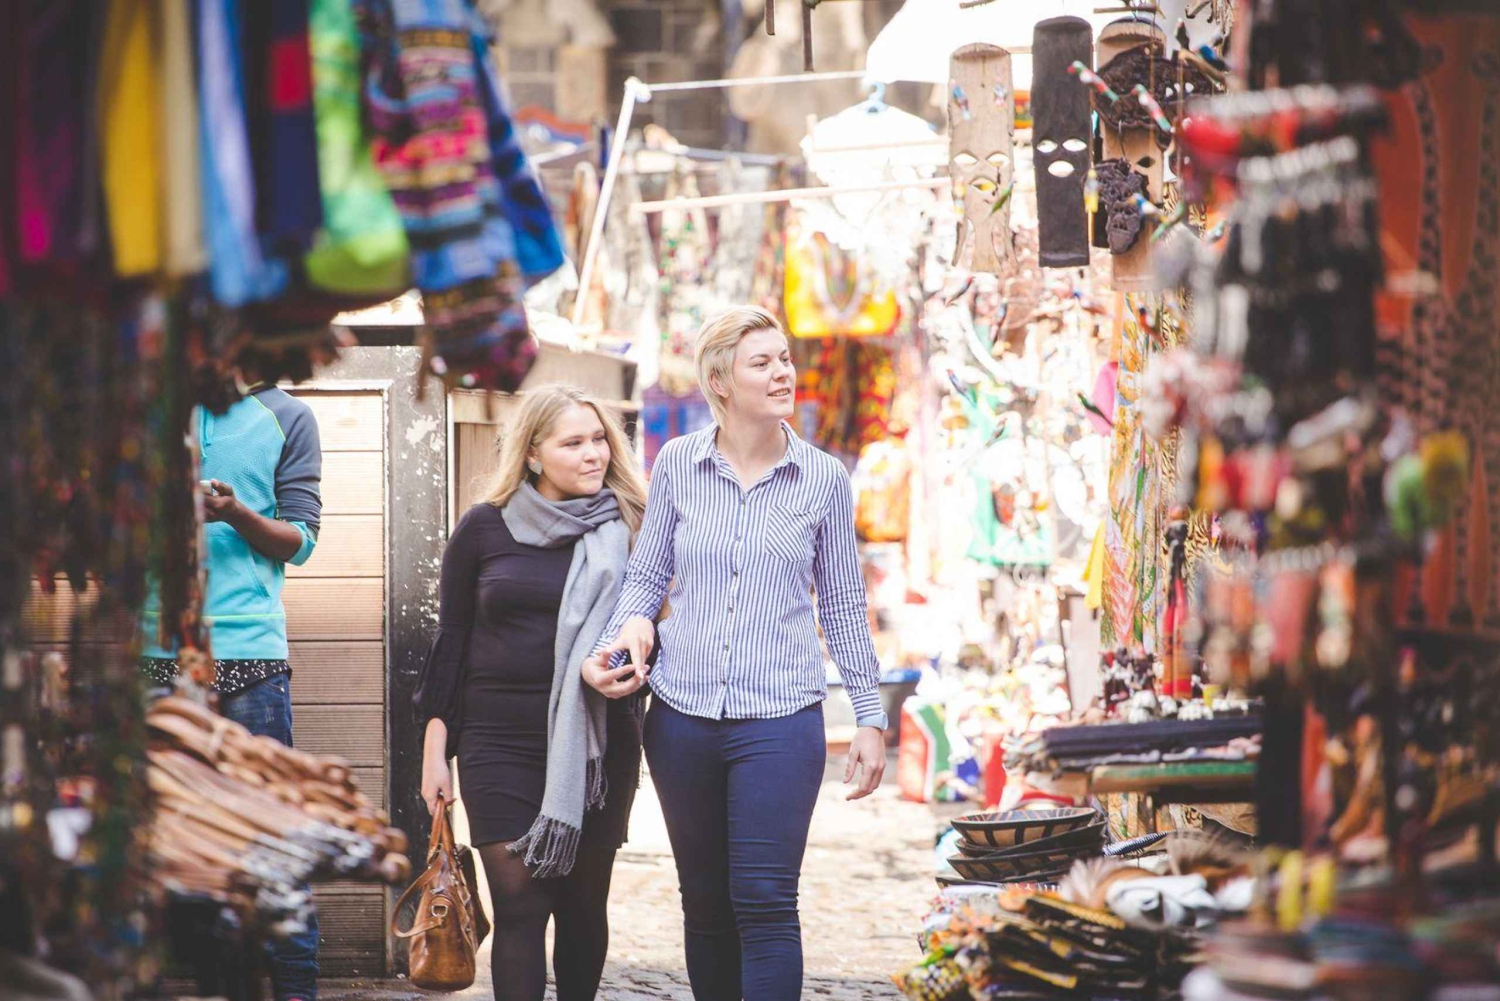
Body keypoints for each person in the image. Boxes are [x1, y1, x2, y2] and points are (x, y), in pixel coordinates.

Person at [583, 306, 889, 1001]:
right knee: (706, 904)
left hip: (780, 720)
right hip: (682, 716)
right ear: (720, 380)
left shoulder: (823, 480)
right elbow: (645, 577)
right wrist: (631, 629)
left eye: (784, 357)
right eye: (764, 361)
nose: (785, 371)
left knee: (765, 898)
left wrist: (868, 715)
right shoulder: (678, 469)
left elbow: (841, 605)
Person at [413, 385, 649, 1001]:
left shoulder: (632, 526)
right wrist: (436, 749)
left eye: (600, 439)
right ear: (535, 454)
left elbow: (656, 624)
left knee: (581, 904)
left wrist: (614, 663)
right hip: (497, 741)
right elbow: (452, 642)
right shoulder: (484, 528)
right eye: (574, 442)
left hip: (596, 744)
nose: (594, 453)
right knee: (519, 904)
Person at [140, 372, 323, 1001]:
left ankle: (296, 990)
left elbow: (302, 540)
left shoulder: (287, 416)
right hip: (155, 655)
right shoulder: (148, 409)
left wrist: (237, 513)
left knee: (271, 833)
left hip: (249, 655)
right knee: (181, 842)